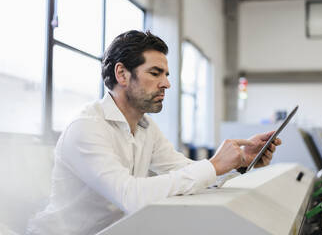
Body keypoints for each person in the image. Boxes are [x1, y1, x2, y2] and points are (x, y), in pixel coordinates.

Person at [26, 30, 281, 235]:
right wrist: (214, 164)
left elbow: (188, 174)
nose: (166, 84)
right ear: (122, 74)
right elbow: (130, 196)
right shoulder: (87, 128)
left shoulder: (146, 127)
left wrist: (238, 162)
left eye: (166, 75)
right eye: (155, 73)